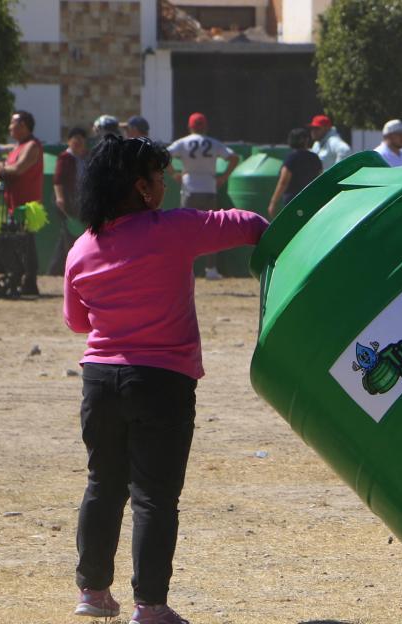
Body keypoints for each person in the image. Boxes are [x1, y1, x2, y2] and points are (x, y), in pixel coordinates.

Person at [64, 135, 268, 624]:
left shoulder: (81, 247)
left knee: (103, 484)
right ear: (141, 187)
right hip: (161, 381)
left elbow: (77, 322)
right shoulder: (174, 229)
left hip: (100, 380)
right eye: (159, 177)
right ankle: (150, 606)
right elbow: (251, 225)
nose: (165, 185)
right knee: (154, 496)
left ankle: (93, 591)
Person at [166, 112, 240, 279]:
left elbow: (163, 154)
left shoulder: (183, 142)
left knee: (185, 230)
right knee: (210, 229)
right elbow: (234, 157)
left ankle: (184, 268)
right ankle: (211, 269)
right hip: (209, 188)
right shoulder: (213, 143)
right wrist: (224, 177)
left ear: (189, 126)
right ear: (205, 126)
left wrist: (173, 173)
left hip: (189, 188)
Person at [0, 110, 43, 296]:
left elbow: (19, 169)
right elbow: (8, 168)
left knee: (26, 243)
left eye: (12, 123)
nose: (9, 127)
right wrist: (2, 167)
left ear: (23, 126)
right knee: (14, 243)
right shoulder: (17, 147)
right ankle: (17, 276)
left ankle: (29, 281)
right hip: (12, 203)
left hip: (27, 205)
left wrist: (2, 168)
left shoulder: (32, 146)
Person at [48, 127, 89, 276]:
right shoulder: (65, 157)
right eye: (75, 138)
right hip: (67, 203)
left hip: (81, 202)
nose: (78, 141)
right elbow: (58, 180)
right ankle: (70, 269)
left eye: (81, 138)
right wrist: (60, 198)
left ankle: (54, 270)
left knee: (68, 236)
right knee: (70, 236)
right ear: (69, 141)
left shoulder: (86, 157)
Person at [268, 127, 324, 218]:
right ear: (306, 140)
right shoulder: (315, 157)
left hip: (293, 201)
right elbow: (320, 178)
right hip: (311, 200)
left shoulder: (292, 158)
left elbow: (283, 181)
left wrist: (273, 202)